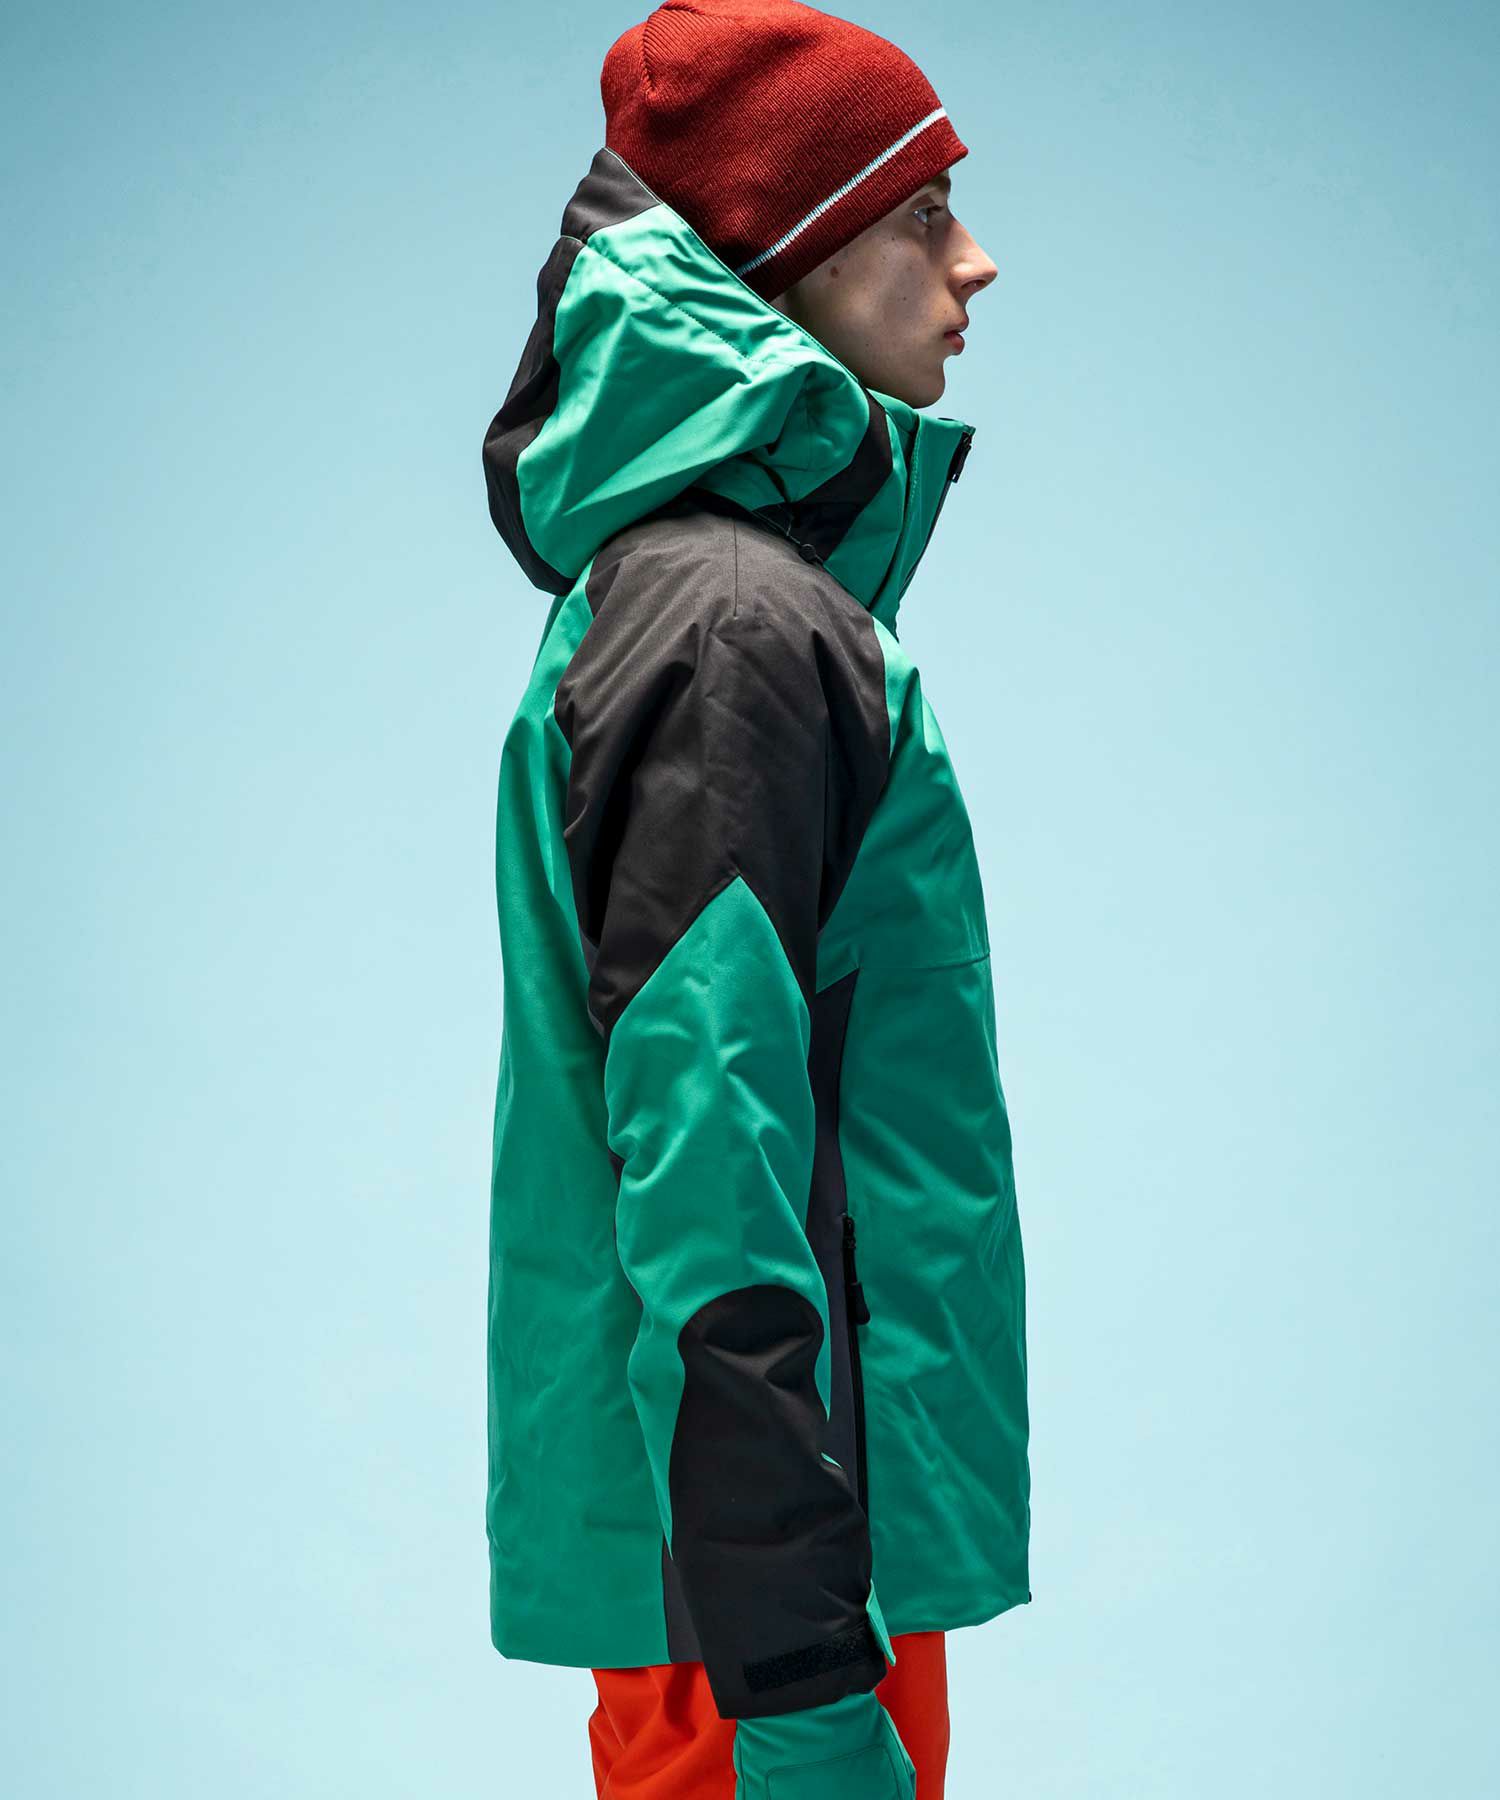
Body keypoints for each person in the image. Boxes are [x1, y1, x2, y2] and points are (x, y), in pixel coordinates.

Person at [480, 2, 1031, 1794]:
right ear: (787, 257)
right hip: (774, 1612)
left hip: (777, 1570)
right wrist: (798, 1677)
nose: (976, 260)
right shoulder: (731, 632)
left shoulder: (729, 612)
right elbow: (709, 1176)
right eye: (922, 215)